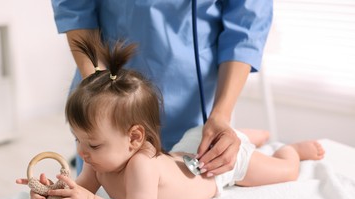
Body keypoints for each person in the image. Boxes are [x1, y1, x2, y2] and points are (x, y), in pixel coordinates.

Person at [16, 35, 325, 199]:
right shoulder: (99, 160)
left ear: (135, 139)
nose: (82, 151)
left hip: (216, 168)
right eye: (79, 139)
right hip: (188, 148)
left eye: (93, 143)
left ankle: (291, 149)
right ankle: (248, 135)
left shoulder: (140, 164)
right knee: (198, 141)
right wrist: (55, 195)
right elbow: (80, 193)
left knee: (286, 171)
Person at [51, 0, 274, 176]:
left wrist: (221, 115)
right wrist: (99, 95)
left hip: (194, 103)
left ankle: (285, 150)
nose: (82, 149)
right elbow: (74, 7)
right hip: (107, 96)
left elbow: (246, 27)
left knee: (231, 166)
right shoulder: (100, 140)